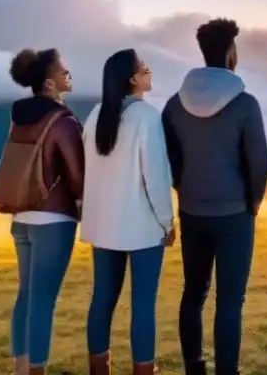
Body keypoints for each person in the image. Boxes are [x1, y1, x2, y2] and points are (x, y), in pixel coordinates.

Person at [162, 18, 267, 375]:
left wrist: (184, 188)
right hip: (235, 215)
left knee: (193, 293)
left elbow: (169, 158)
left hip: (192, 210)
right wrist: (254, 199)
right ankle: (227, 370)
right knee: (230, 301)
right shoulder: (245, 104)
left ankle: (194, 366)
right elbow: (258, 159)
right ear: (229, 53)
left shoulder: (174, 105)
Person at [81, 49, 175, 375]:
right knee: (143, 303)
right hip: (141, 226)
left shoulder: (95, 115)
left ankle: (99, 368)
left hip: (102, 225)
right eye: (145, 69)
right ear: (133, 78)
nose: (150, 73)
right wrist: (168, 222)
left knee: (102, 298)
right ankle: (144, 369)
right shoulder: (146, 116)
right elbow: (157, 178)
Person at [5, 49, 85, 375]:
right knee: (42, 302)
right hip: (53, 219)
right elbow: (79, 174)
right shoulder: (62, 120)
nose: (69, 76)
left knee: (25, 297)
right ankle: (36, 371)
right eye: (65, 72)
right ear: (50, 82)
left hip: (21, 217)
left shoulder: (20, 119)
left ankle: (21, 369)